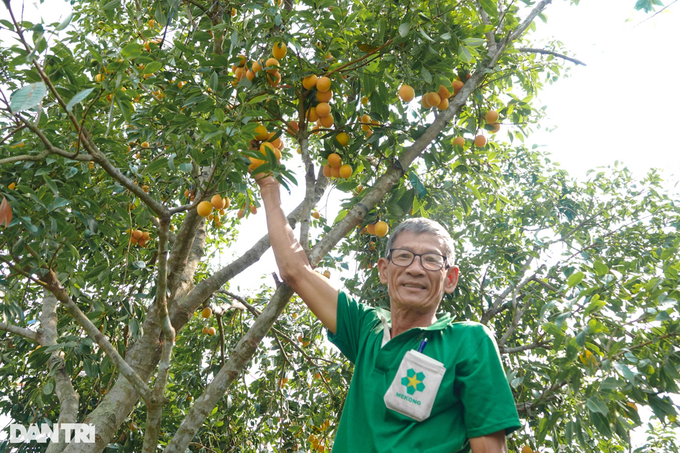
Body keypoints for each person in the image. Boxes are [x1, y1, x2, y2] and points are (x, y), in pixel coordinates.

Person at [257, 175, 521, 453]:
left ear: (450, 278)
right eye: (404, 256)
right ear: (384, 270)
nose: (415, 269)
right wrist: (269, 187)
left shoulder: (468, 341)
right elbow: (295, 270)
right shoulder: (366, 328)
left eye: (431, 260)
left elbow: (490, 450)